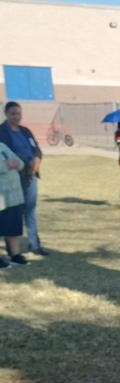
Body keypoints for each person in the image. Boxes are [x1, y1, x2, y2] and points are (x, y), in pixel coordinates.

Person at [0, 101, 47, 254]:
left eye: (18, 114)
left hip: (31, 175)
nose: (16, 117)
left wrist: (37, 161)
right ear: (6, 114)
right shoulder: (2, 132)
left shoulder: (25, 131)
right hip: (13, 179)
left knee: (31, 209)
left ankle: (34, 245)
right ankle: (13, 249)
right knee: (14, 212)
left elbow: (36, 148)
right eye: (13, 114)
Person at [0, 140, 29, 268]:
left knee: (12, 227)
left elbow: (20, 163)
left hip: (14, 195)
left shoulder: (2, 146)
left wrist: (13, 163)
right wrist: (7, 165)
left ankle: (15, 255)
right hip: (1, 196)